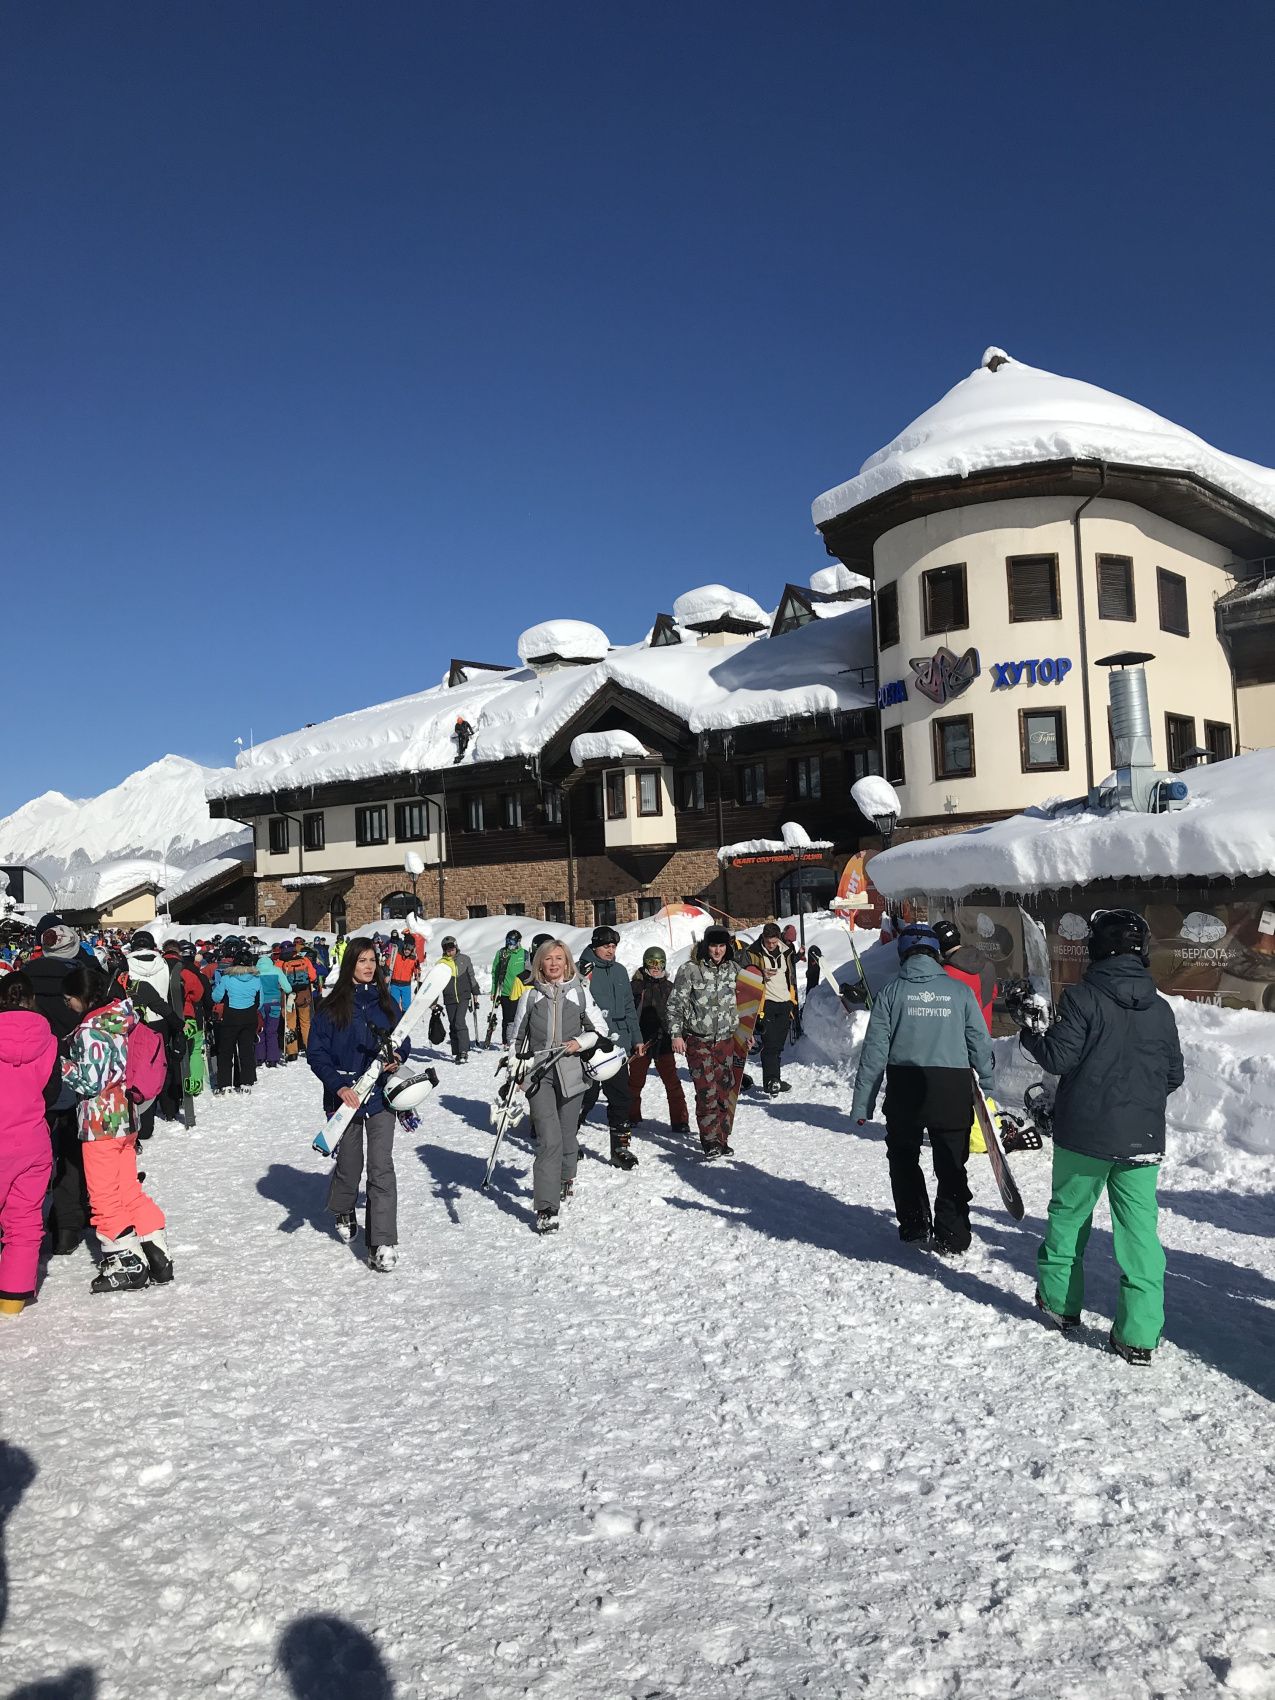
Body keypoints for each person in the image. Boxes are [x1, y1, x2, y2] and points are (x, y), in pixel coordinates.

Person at [1014, 909, 1184, 1365]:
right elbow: (1173, 1075)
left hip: (1085, 1137)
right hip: (1142, 1141)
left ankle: (1059, 1305)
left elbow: (1058, 1057)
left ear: (1097, 949)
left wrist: (1028, 1031)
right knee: (1140, 1237)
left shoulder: (1083, 998)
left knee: (1069, 1221)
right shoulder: (1162, 1008)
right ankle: (1138, 1334)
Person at [850, 923, 994, 1254]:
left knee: (903, 1158)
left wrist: (863, 1104)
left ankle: (915, 1225)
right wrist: (986, 1084)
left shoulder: (891, 993)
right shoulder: (959, 992)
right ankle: (953, 1234)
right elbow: (979, 1042)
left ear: (903, 954)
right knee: (951, 1163)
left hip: (905, 1089)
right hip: (952, 1089)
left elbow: (874, 1053)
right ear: (936, 952)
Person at [61, 963, 173, 1293]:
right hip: (126, 1116)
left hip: (99, 1122)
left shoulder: (89, 1031)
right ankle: (155, 1248)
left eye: (68, 998)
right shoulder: (119, 1019)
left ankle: (124, 1261)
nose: (67, 1005)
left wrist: (63, 1066)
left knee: (104, 1195)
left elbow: (90, 1082)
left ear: (79, 997)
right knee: (127, 1188)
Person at [307, 940, 410, 1272]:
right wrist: (338, 1087)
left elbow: (402, 1039)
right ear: (350, 963)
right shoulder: (329, 1006)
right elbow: (316, 1054)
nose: (368, 966)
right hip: (345, 1097)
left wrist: (397, 1057)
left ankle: (381, 1241)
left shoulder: (386, 1002)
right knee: (350, 1164)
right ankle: (343, 1206)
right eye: (362, 960)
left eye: (373, 961)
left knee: (381, 1166)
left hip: (380, 1095)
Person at [508, 938, 617, 1234]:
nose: (554, 964)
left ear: (567, 963)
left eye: (559, 958)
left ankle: (567, 1176)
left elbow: (601, 1031)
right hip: (539, 1075)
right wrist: (515, 1067)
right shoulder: (530, 997)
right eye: (548, 959)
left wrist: (578, 1043)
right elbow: (516, 1039)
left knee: (568, 1136)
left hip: (572, 1074)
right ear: (539, 964)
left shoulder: (580, 994)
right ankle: (546, 1207)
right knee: (549, 1139)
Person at [23, 921, 92, 1255]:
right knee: (69, 1152)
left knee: (28, 1159)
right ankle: (66, 1226)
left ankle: (24, 1226)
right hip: (70, 1071)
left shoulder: (24, 976)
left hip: (29, 1074)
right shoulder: (80, 976)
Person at [0, 973, 59, 1316]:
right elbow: (51, 1093)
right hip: (31, 1142)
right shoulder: (48, 1040)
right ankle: (12, 1297)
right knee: (23, 1220)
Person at [667, 926, 743, 1158]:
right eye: (713, 945)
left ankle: (722, 1137)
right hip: (698, 1041)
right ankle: (710, 1140)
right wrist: (676, 1034)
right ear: (705, 946)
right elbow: (675, 1004)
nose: (717, 950)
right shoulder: (690, 970)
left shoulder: (734, 970)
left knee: (724, 1091)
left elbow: (745, 1004)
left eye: (721, 946)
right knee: (706, 1090)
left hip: (725, 1041)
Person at [578, 926, 640, 1168]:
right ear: (595, 946)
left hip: (618, 1045)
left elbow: (628, 1009)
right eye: (606, 946)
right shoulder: (581, 969)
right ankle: (567, 1143)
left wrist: (636, 1038)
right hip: (591, 1044)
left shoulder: (620, 971)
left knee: (621, 1097)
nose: (610, 951)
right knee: (586, 1096)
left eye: (613, 946)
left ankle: (620, 1148)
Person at [628, 947, 690, 1134]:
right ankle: (630, 1115)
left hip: (663, 1042)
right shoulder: (636, 986)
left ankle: (680, 1120)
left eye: (659, 963)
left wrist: (680, 1035)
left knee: (672, 1082)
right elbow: (629, 1013)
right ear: (645, 963)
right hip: (641, 1042)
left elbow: (679, 1012)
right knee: (635, 1082)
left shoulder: (670, 987)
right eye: (651, 963)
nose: (655, 968)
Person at [748, 922, 798, 1096]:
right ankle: (770, 1081)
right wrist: (761, 974)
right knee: (769, 1045)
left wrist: (792, 1001)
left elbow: (789, 975)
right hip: (766, 1004)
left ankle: (775, 1079)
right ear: (763, 938)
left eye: (774, 942)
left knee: (777, 1046)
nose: (771, 945)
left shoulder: (786, 951)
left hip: (784, 1003)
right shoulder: (754, 953)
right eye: (769, 942)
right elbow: (744, 974)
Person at [211, 944, 263, 1094]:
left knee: (226, 1051)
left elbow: (216, 997)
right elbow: (259, 1002)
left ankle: (225, 1084)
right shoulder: (256, 979)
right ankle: (246, 1082)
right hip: (249, 1017)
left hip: (230, 1018)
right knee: (246, 1050)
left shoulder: (227, 978)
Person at [932, 919, 996, 1030]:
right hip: (984, 1036)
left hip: (958, 1038)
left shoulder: (944, 974)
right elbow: (993, 994)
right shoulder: (988, 966)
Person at [438, 936, 479, 1063]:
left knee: (459, 1021)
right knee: (452, 1023)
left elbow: (471, 976)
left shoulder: (465, 959)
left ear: (456, 947)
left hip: (463, 995)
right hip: (449, 997)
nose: (450, 952)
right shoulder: (441, 963)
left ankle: (463, 1051)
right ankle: (456, 1051)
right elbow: (436, 982)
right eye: (447, 950)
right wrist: (432, 1001)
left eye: (452, 949)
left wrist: (475, 992)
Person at [255, 946, 292, 1069]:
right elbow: (288, 988)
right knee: (272, 1031)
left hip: (259, 1004)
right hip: (274, 1003)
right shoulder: (276, 970)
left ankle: (259, 1056)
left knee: (260, 1030)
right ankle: (272, 1059)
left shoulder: (255, 971)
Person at [281, 938, 318, 1054]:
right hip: (304, 994)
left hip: (289, 996)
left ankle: (292, 1052)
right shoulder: (305, 960)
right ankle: (309, 1047)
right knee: (305, 1022)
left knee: (290, 1024)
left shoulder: (284, 963)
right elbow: (313, 977)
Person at [490, 931, 528, 1046]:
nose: (509, 944)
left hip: (521, 992)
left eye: (512, 941)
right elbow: (495, 973)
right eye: (507, 941)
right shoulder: (501, 953)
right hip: (506, 991)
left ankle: (520, 1039)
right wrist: (493, 990)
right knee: (508, 1017)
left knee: (521, 1016)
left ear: (518, 942)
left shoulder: (524, 954)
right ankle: (506, 1041)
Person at [386, 929, 420, 1015]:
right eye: (406, 947)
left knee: (406, 1005)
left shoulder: (413, 960)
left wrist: (417, 973)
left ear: (412, 949)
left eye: (409, 948)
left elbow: (417, 970)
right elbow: (388, 964)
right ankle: (395, 1019)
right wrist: (385, 966)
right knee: (394, 1004)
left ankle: (404, 1018)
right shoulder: (397, 955)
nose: (407, 950)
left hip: (406, 986)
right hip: (395, 985)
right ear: (403, 946)